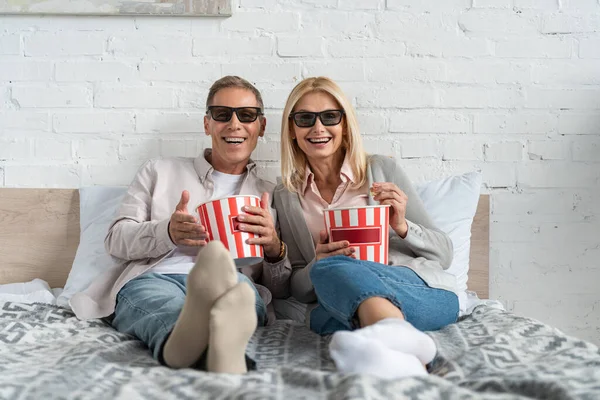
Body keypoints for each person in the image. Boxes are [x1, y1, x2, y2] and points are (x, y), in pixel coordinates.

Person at [70, 76, 291, 374]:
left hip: (232, 281)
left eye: (247, 115)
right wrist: (167, 233)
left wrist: (275, 248)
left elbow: (279, 288)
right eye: (222, 114)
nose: (234, 124)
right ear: (207, 124)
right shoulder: (159, 170)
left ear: (261, 126)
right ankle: (213, 349)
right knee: (162, 306)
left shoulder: (271, 194)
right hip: (155, 277)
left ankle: (191, 348)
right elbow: (116, 242)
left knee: (244, 295)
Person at [272, 77, 460, 379]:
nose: (318, 128)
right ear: (292, 130)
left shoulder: (381, 169)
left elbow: (445, 254)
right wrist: (317, 262)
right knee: (326, 277)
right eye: (305, 119)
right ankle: (403, 351)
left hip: (416, 292)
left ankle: (388, 333)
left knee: (329, 317)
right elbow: (297, 286)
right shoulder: (286, 195)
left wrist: (401, 225)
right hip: (338, 298)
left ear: (345, 125)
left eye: (330, 116)